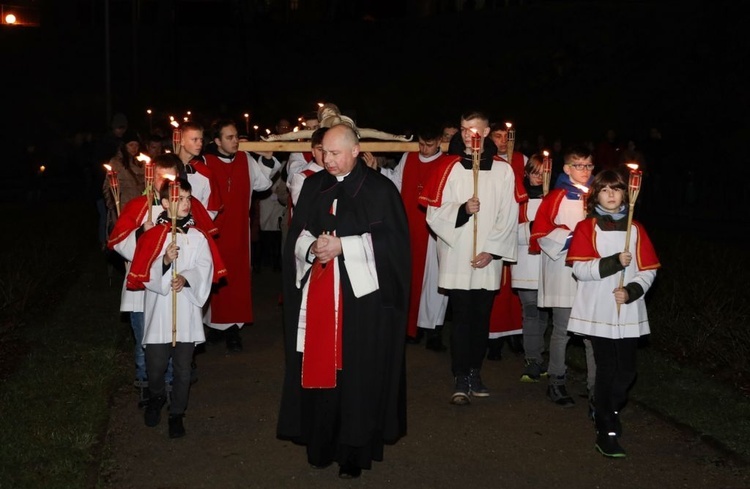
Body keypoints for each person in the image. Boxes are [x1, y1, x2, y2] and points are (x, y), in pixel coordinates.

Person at [277, 124, 410, 479]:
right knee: (320, 370)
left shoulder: (380, 190)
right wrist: (312, 247)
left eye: (336, 153)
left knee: (356, 375)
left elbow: (394, 247)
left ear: (355, 151)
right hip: (319, 297)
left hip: (361, 304)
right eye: (324, 153)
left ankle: (354, 451)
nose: (328, 160)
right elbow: (297, 235)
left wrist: (344, 246)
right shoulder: (313, 185)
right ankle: (321, 443)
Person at [420, 110, 518, 405]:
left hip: (488, 255)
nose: (466, 135)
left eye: (473, 130)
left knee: (480, 317)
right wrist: (462, 210)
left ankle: (476, 370)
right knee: (462, 317)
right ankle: (461, 375)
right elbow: (434, 213)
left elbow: (508, 214)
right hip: (458, 252)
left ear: (487, 132)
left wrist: (492, 249)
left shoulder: (503, 170)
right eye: (463, 129)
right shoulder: (448, 167)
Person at [107, 154, 217, 404]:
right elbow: (119, 244)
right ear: (151, 177)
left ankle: (173, 390)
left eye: (171, 177)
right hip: (143, 291)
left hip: (177, 294)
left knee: (174, 343)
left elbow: (201, 248)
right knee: (147, 346)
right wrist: (140, 236)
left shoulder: (188, 208)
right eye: (160, 177)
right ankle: (149, 390)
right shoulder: (139, 206)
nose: (164, 181)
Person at [566, 169, 660, 457]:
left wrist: (631, 290)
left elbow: (649, 271)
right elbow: (580, 269)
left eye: (616, 189)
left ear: (626, 194)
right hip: (598, 309)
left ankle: (605, 407)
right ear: (596, 194)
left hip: (628, 310)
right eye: (604, 189)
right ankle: (606, 427)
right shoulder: (587, 227)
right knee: (607, 369)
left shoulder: (636, 229)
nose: (610, 195)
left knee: (627, 371)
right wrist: (612, 263)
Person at [127, 179, 220, 438]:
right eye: (180, 199)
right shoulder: (153, 236)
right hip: (159, 313)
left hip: (186, 311)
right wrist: (166, 262)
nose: (186, 204)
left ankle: (177, 413)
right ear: (166, 203)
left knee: (182, 369)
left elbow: (205, 267)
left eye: (189, 199)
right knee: (155, 366)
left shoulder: (197, 236)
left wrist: (187, 277)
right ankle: (156, 397)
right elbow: (144, 272)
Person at [203, 119, 281, 352]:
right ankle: (216, 326)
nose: (235, 140)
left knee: (236, 279)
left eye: (236, 136)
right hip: (214, 230)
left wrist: (266, 158)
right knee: (214, 277)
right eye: (229, 137)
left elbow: (261, 184)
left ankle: (232, 330)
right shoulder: (206, 162)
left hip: (239, 230)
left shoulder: (245, 159)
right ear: (216, 141)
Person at [375, 125, 453, 351]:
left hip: (434, 232)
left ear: (439, 141)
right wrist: (378, 170)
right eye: (421, 143)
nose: (424, 149)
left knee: (435, 285)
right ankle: (412, 328)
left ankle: (434, 332)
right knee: (409, 279)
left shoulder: (447, 164)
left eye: (429, 145)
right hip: (408, 226)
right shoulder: (408, 158)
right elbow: (396, 184)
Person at [529, 145, 596, 407]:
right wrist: (573, 238)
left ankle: (594, 387)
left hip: (592, 275)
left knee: (592, 334)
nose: (585, 171)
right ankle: (556, 380)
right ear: (567, 169)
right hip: (563, 272)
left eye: (589, 166)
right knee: (562, 330)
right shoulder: (556, 196)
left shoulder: (599, 195)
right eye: (579, 165)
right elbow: (541, 231)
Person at [512, 155, 550, 382]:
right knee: (531, 310)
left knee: (543, 313)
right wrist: (534, 228)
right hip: (526, 264)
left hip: (548, 265)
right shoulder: (519, 199)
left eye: (543, 172)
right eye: (534, 171)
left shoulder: (554, 199)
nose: (538, 176)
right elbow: (509, 231)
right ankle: (533, 359)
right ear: (526, 173)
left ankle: (538, 354)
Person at [175, 121, 222, 218]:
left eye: (201, 140)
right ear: (182, 141)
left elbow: (211, 207)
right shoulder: (167, 167)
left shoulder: (204, 172)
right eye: (194, 139)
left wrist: (197, 222)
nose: (199, 144)